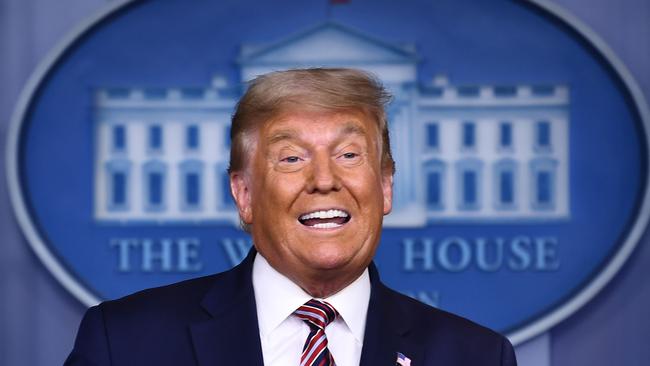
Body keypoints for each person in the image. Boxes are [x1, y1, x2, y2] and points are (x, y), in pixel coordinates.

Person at [65, 68, 517, 366]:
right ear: (243, 194)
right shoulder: (124, 344)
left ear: (385, 187)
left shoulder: (476, 356)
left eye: (348, 153)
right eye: (291, 158)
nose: (324, 179)